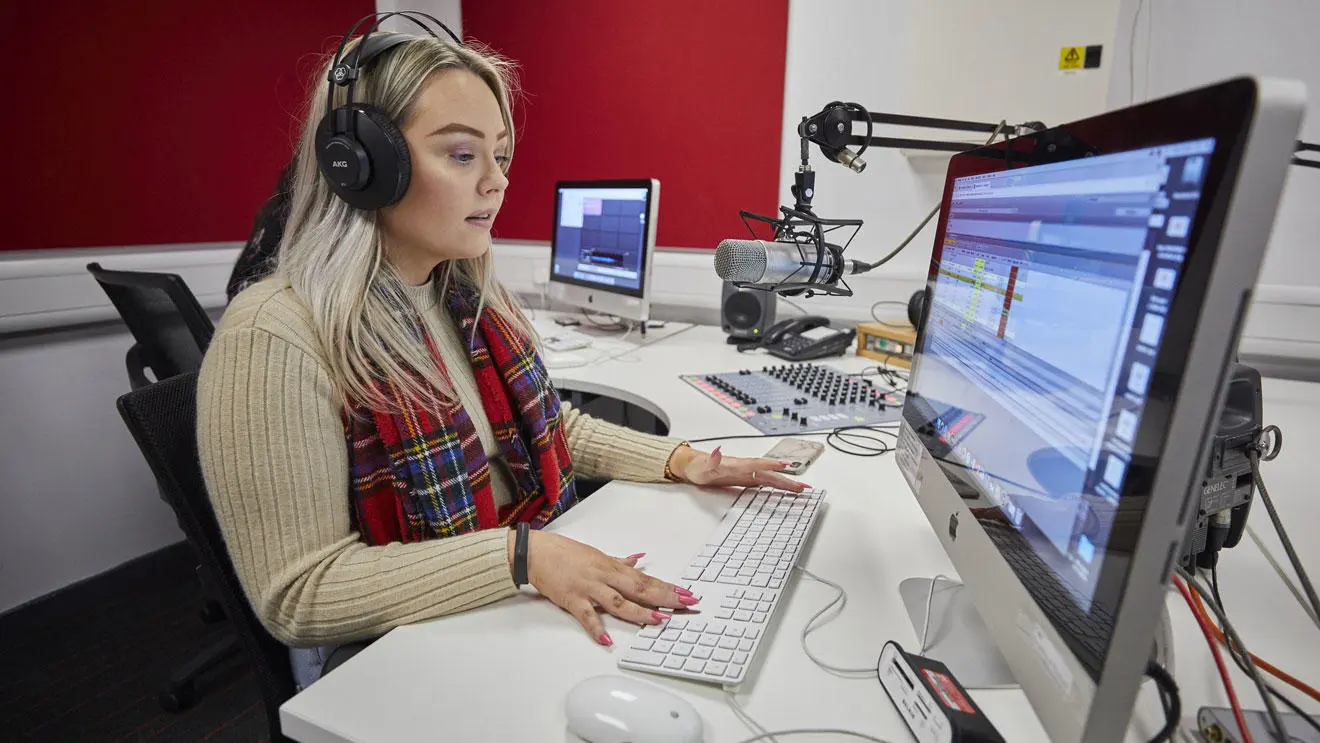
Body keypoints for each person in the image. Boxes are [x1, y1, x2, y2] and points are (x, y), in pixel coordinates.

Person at [196, 29, 806, 689]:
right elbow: (298, 591)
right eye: (461, 154)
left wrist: (680, 460)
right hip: (401, 651)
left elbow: (549, 425)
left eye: (501, 155)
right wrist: (521, 556)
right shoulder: (275, 333)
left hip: (504, 595)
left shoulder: (462, 292)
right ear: (363, 166)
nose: (497, 181)